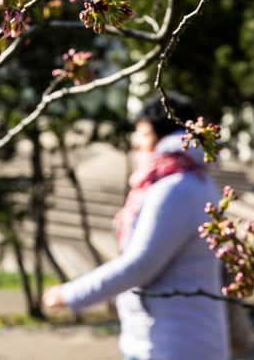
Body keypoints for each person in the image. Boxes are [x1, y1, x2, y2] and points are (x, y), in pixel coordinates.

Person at [43, 93, 229, 360]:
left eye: (142, 134)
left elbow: (141, 264)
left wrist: (69, 294)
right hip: (172, 337)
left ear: (162, 135)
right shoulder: (195, 181)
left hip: (174, 344)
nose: (136, 142)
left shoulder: (176, 189)